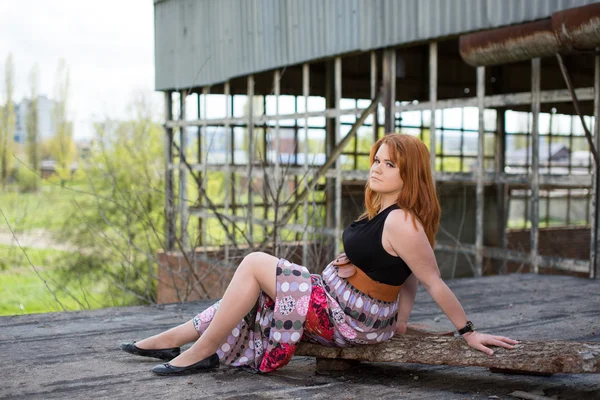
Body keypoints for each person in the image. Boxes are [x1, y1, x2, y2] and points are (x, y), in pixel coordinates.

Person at [120, 133, 518, 376]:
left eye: (389, 164)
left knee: (255, 263)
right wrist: (401, 321)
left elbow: (430, 280)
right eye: (376, 160)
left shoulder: (403, 223)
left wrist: (468, 333)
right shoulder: (385, 213)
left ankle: (201, 351)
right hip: (337, 303)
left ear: (409, 173)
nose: (376, 169)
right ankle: (174, 340)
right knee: (254, 286)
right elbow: (406, 275)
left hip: (349, 319)